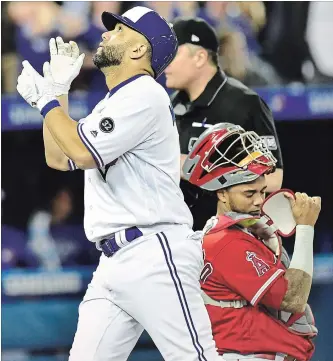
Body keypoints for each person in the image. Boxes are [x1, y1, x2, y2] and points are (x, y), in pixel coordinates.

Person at [16, 6, 221, 361]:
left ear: (140, 50)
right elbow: (59, 158)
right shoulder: (112, 103)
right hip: (114, 263)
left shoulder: (144, 94)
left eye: (120, 31)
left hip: (154, 251)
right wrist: (59, 92)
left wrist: (47, 102)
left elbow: (80, 152)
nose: (107, 33)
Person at [182, 123, 320, 361]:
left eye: (263, 192)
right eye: (249, 193)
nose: (259, 201)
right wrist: (306, 228)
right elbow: (293, 299)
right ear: (222, 193)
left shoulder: (245, 233)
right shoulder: (225, 242)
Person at [165, 17, 283, 230]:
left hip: (229, 235)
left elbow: (274, 178)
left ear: (200, 57)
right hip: (177, 235)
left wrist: (197, 167)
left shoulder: (245, 103)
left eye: (173, 54)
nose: (165, 63)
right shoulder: (169, 105)